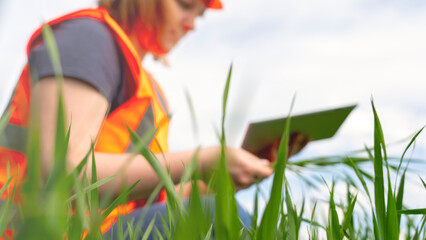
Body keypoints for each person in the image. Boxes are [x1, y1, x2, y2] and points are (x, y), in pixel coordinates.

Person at [0, 0, 309, 238]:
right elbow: (60, 174)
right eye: (185, 6)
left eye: (199, 15)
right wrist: (200, 160)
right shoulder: (88, 39)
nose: (191, 25)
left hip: (100, 230)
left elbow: (158, 196)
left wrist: (229, 171)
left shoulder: (148, 89)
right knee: (216, 216)